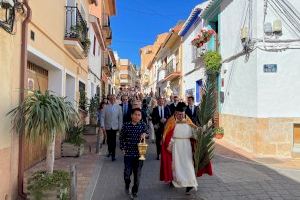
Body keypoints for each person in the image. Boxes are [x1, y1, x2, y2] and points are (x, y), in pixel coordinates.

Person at [160, 102, 213, 194]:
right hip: (176, 147)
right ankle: (175, 180)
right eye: (179, 114)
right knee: (176, 166)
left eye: (182, 114)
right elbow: (167, 135)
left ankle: (190, 184)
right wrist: (169, 145)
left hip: (187, 147)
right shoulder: (171, 122)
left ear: (185, 114)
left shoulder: (188, 121)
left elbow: (195, 133)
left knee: (188, 165)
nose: (180, 116)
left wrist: (203, 129)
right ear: (175, 113)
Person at [119, 108, 149, 199]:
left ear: (141, 117)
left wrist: (145, 134)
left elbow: (148, 133)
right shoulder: (126, 125)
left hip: (140, 154)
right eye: (135, 114)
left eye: (139, 115)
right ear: (131, 115)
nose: (137, 116)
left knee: (137, 175)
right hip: (128, 153)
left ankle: (134, 191)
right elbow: (121, 138)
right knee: (127, 174)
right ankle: (127, 185)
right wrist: (122, 148)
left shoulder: (143, 125)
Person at [101, 94, 123, 161]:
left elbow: (120, 118)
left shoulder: (119, 107)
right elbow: (102, 117)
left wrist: (120, 128)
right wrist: (103, 126)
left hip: (115, 127)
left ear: (115, 99)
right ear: (109, 100)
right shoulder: (105, 107)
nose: (112, 100)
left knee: (113, 141)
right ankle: (110, 150)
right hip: (107, 126)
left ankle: (113, 155)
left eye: (114, 99)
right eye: (111, 99)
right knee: (108, 141)